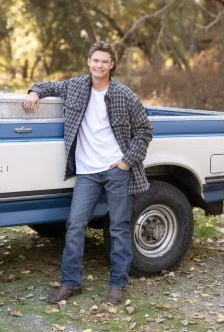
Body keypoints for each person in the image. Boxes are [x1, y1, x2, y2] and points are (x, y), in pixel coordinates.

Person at [22, 40, 153, 305]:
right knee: (74, 226)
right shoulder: (76, 87)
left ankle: (117, 286)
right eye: (95, 60)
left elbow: (144, 130)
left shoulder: (124, 94)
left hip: (116, 170)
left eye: (105, 61)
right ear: (88, 62)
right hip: (86, 172)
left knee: (119, 228)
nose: (99, 65)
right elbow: (48, 86)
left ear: (112, 65)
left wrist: (127, 161)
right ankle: (70, 283)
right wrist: (34, 92)